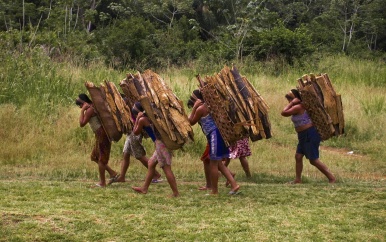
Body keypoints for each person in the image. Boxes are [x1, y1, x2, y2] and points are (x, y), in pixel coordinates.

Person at [188, 89, 240, 195]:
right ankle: (234, 185)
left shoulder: (201, 109)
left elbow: (191, 122)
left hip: (214, 135)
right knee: (219, 163)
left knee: (213, 164)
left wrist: (194, 108)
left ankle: (214, 191)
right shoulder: (211, 105)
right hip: (218, 135)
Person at [281, 89, 336, 184]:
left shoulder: (299, 106)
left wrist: (291, 103)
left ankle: (331, 178)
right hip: (303, 135)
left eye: (291, 98)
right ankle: (298, 179)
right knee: (298, 156)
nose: (289, 100)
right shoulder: (298, 106)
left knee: (313, 160)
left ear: (297, 98)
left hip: (310, 134)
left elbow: (284, 113)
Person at [131, 102, 179, 197]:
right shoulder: (153, 116)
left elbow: (135, 132)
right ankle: (144, 188)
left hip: (161, 144)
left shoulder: (142, 119)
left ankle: (175, 193)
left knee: (166, 168)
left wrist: (136, 119)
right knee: (151, 163)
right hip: (162, 143)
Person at [109, 98, 162, 185]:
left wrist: (137, 119)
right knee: (126, 154)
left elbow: (136, 130)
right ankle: (122, 176)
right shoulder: (129, 108)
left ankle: (155, 174)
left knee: (139, 156)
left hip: (134, 134)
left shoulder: (135, 109)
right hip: (131, 133)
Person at [76, 93, 119, 187]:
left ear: (84, 102)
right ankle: (113, 173)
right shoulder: (92, 107)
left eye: (80, 105)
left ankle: (102, 182)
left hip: (102, 134)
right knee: (94, 156)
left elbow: (82, 124)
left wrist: (82, 111)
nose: (80, 107)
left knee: (101, 159)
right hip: (100, 134)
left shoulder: (90, 110)